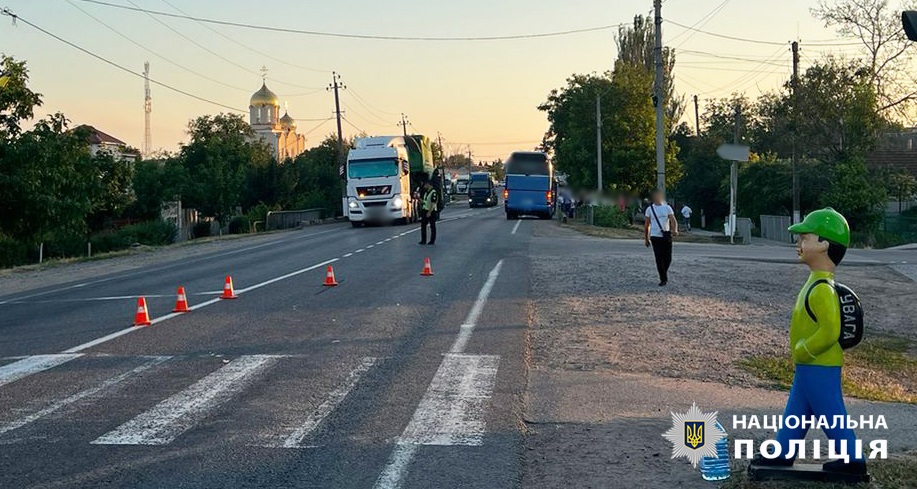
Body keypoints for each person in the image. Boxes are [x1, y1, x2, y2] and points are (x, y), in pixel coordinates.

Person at [751, 208, 866, 476]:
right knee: (798, 410)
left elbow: (830, 331)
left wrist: (805, 348)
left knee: (830, 410)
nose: (799, 244)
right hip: (808, 365)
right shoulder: (815, 284)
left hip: (819, 363)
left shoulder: (822, 290)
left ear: (825, 244)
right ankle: (782, 452)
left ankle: (851, 458)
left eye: (806, 238)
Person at [643, 190, 678, 286]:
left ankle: (663, 272)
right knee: (658, 258)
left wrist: (674, 229)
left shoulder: (667, 208)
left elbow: (673, 220)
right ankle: (663, 279)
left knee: (668, 258)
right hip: (655, 236)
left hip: (666, 235)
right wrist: (646, 238)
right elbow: (646, 225)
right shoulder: (649, 209)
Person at [419, 181, 438, 245]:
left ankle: (432, 241)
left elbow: (433, 203)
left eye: (425, 185)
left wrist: (429, 212)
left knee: (432, 226)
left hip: (431, 211)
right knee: (423, 226)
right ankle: (423, 240)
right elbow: (425, 202)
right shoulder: (426, 193)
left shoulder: (433, 192)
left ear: (428, 185)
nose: (424, 187)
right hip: (425, 210)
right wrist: (419, 198)